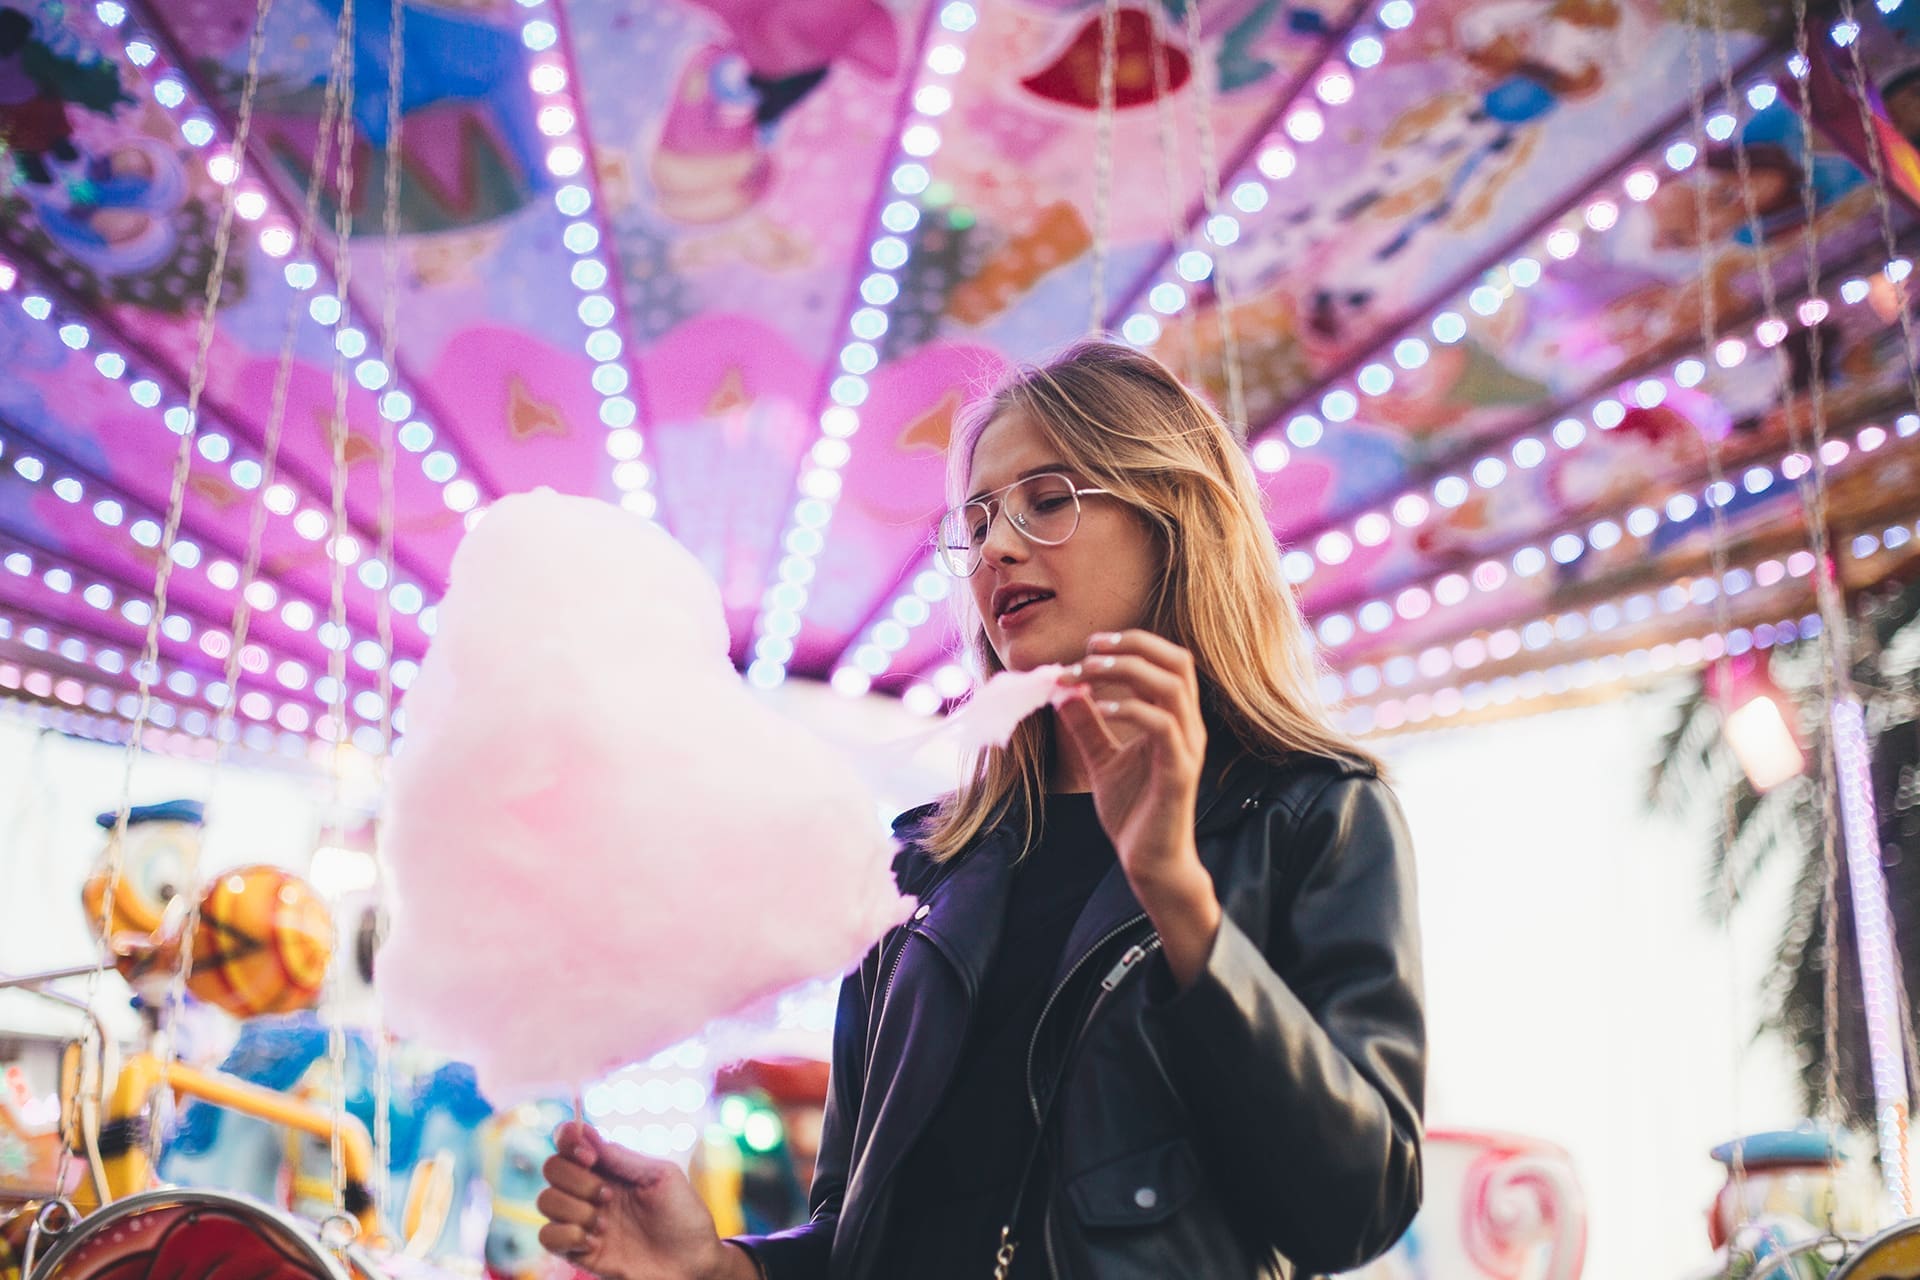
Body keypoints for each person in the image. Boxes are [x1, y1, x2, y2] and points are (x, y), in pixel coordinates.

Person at [536, 341, 1426, 1279]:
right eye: (979, 517)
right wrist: (724, 1268)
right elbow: (856, 1232)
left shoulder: (1310, 817)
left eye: (1048, 500)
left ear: (1174, 522)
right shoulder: (923, 862)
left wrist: (1177, 895)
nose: (996, 547)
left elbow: (1352, 1210)